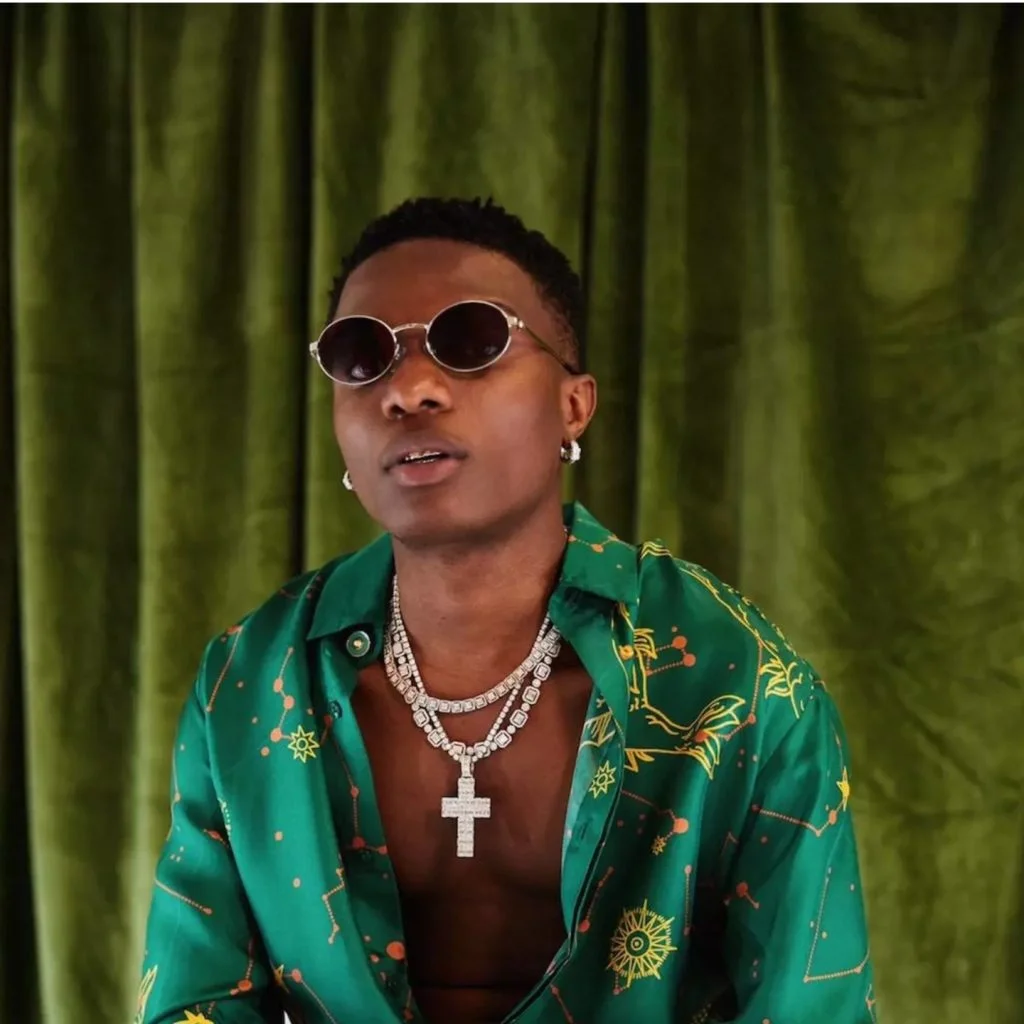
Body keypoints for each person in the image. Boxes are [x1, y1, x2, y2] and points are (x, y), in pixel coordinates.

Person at [136, 197, 877, 1024]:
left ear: (574, 406)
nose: (408, 388)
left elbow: (811, 1006)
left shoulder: (736, 683)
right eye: (362, 357)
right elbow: (196, 1000)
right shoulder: (250, 682)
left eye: (470, 341)